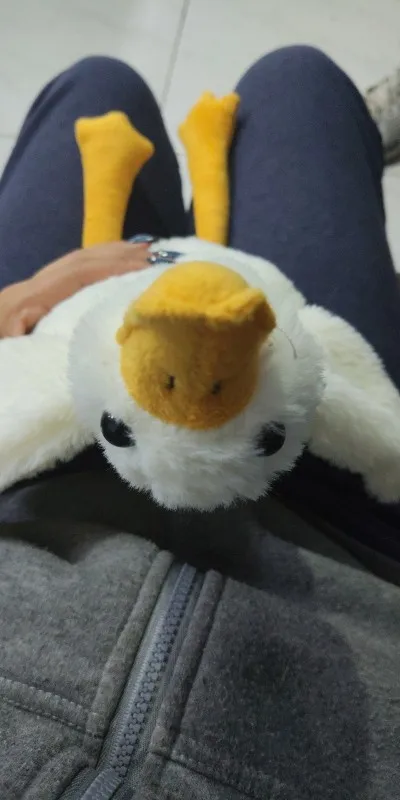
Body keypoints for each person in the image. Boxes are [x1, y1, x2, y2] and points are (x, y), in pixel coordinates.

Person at [0, 47, 399, 800]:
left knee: (98, 85)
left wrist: (19, 302)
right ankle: (310, 147)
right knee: (297, 82)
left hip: (35, 453)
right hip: (343, 522)